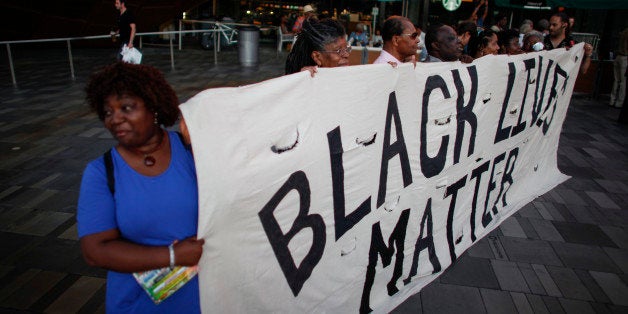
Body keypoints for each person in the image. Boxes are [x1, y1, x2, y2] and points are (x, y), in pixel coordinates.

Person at [79, 62, 204, 313]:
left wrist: (304, 83)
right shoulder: (101, 172)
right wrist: (172, 256)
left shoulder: (194, 150)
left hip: (204, 299)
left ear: (153, 106)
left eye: (126, 108)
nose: (115, 119)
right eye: (107, 113)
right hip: (137, 304)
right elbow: (95, 251)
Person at [285, 18, 349, 75]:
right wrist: (302, 78)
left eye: (346, 49)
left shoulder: (348, 75)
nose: (347, 55)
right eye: (338, 51)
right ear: (317, 57)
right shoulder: (308, 81)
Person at [610, 27, 628, 108]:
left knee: (616, 80)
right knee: (623, 81)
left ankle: (612, 100)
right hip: (625, 57)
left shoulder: (624, 31)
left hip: (618, 56)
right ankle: (619, 102)